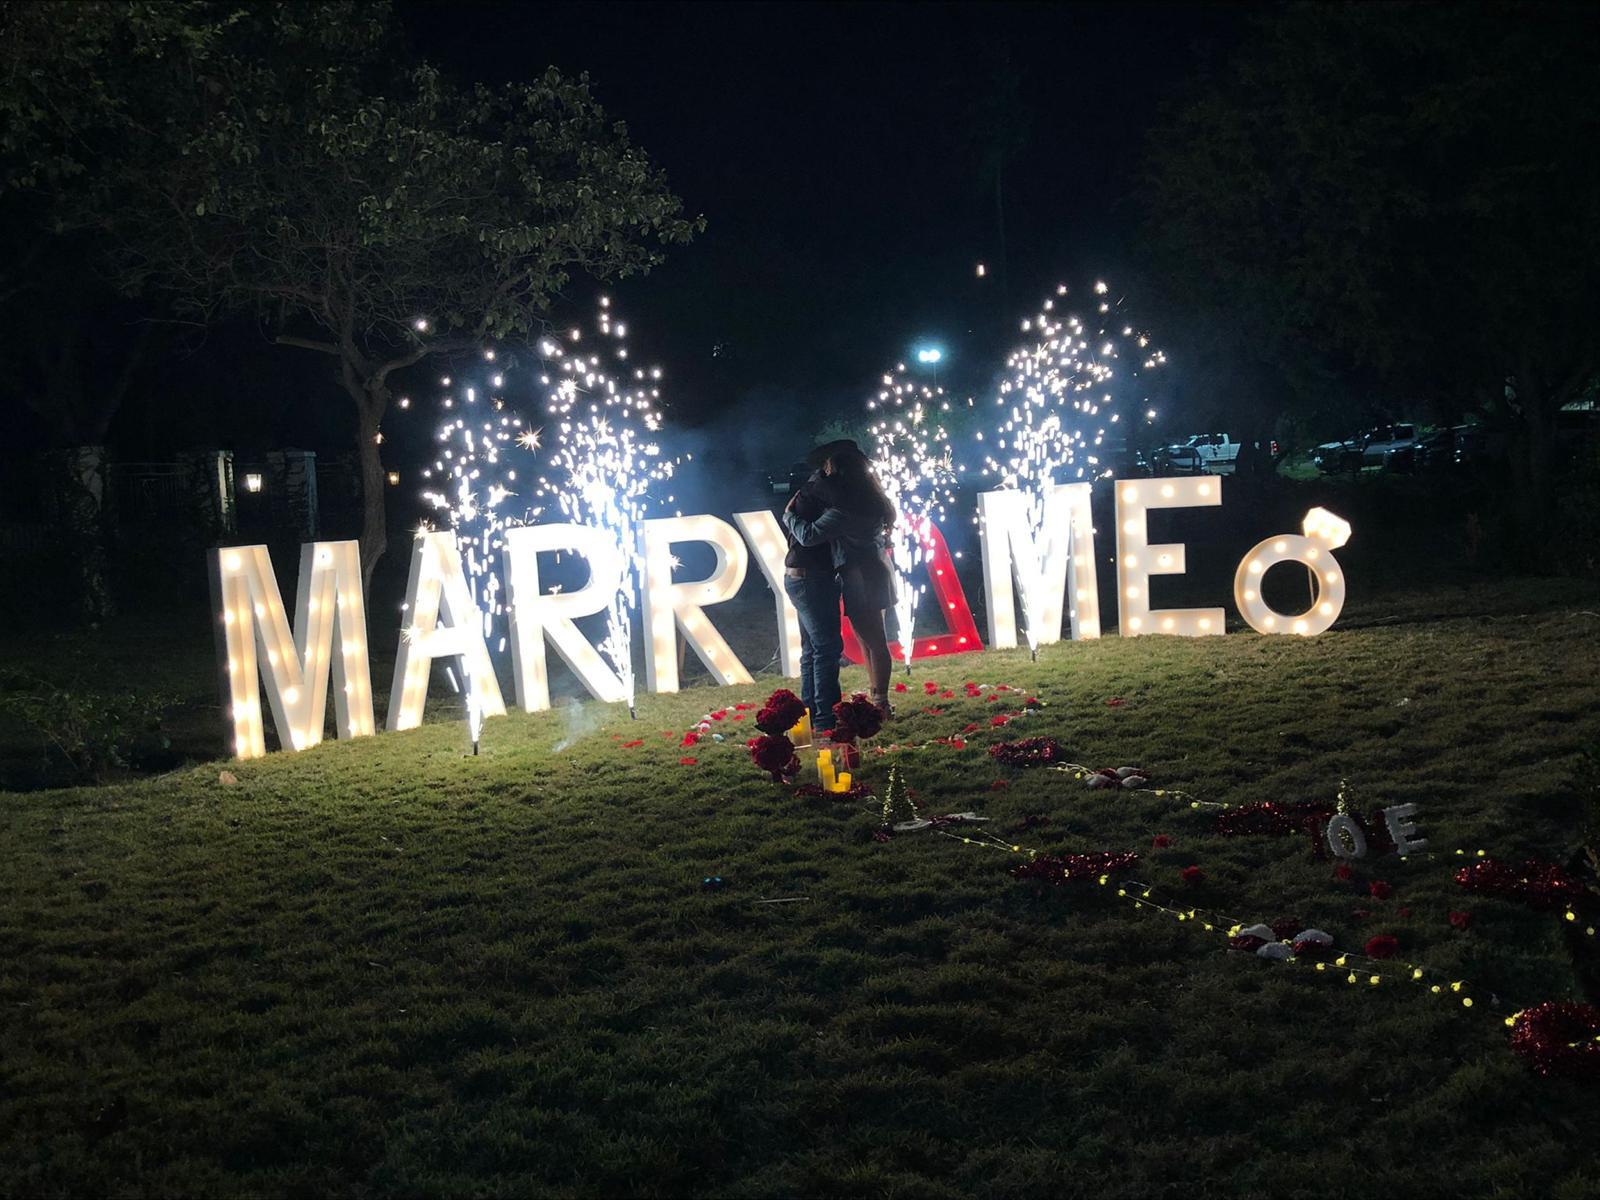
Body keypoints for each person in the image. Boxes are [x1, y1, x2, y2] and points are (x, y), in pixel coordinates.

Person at [782, 441, 897, 718]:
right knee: (870, 639)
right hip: (871, 570)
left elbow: (809, 536)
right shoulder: (871, 498)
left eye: (829, 467)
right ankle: (877, 698)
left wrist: (788, 516)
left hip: (861, 576)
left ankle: (880, 703)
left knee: (873, 641)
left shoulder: (845, 511)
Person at [780, 443, 848, 737]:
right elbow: (810, 537)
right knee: (826, 649)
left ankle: (808, 716)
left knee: (812, 650)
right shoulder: (825, 492)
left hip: (801, 577)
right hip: (812, 579)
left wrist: (789, 517)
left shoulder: (810, 490)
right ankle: (825, 719)